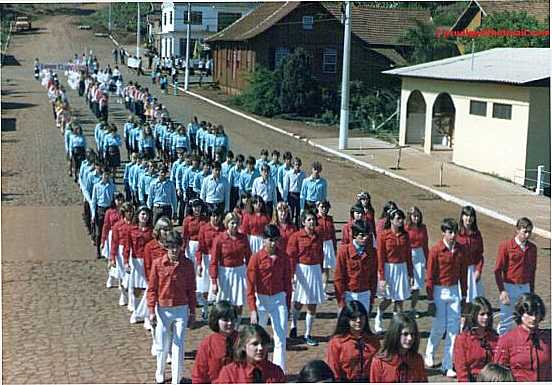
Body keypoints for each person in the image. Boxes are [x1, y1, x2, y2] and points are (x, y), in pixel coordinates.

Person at [147, 230, 196, 384]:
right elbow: (152, 289)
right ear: (166, 248)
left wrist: (193, 311)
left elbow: (191, 290)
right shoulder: (158, 264)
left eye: (177, 246)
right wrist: (151, 310)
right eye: (171, 247)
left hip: (181, 308)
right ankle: (160, 370)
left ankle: (177, 377)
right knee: (162, 344)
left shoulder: (187, 264)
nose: (174, 250)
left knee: (179, 343)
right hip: (163, 309)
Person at [424, 217, 467, 378]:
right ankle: (430, 352)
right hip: (439, 291)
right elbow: (429, 275)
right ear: (444, 232)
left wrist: (464, 296)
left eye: (455, 232)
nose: (453, 235)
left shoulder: (461, 250)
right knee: (439, 326)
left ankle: (447, 363)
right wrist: (430, 299)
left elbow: (463, 275)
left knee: (453, 329)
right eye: (450, 232)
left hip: (455, 290)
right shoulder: (436, 250)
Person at [247, 224, 291, 373]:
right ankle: (256, 368)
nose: (273, 243)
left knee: (280, 336)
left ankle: (279, 370)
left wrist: (288, 305)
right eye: (270, 240)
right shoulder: (256, 258)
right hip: (261, 299)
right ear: (263, 240)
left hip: (278, 299)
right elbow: (250, 286)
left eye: (275, 240)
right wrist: (253, 309)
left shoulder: (284, 257)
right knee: (257, 336)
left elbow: (287, 283)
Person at [287, 209, 325, 346]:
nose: (312, 222)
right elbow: (291, 257)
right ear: (303, 222)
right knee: (298, 302)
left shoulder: (318, 236)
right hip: (301, 271)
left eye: (313, 220)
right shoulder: (296, 237)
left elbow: (321, 253)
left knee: (312, 303)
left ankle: (307, 334)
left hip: (314, 270)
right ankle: (294, 325)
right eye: (309, 220)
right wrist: (292, 275)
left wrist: (320, 269)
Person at [494, 217, 537, 335]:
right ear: (517, 230)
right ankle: (500, 347)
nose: (527, 235)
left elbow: (532, 271)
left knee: (524, 320)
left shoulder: (532, 248)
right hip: (509, 286)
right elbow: (497, 270)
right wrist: (502, 291)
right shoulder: (506, 246)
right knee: (506, 320)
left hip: (525, 288)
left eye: (529, 232)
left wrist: (531, 292)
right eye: (525, 231)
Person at [494, 293, 551, 381]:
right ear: (520, 313)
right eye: (529, 314)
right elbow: (498, 373)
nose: (534, 318)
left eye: (537, 314)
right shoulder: (507, 340)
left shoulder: (547, 338)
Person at [374, 208, 413, 333]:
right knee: (388, 299)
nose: (401, 221)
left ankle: (396, 326)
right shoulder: (384, 235)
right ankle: (379, 316)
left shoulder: (405, 235)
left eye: (402, 218)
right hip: (389, 268)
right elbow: (380, 256)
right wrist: (382, 277)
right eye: (398, 218)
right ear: (391, 220)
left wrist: (410, 274)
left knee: (400, 299)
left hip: (401, 269)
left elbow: (408, 255)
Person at [210, 212, 252, 326]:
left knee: (238, 303)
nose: (234, 226)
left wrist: (251, 274)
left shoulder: (243, 238)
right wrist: (214, 281)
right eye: (232, 223)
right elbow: (213, 261)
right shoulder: (219, 239)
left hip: (239, 272)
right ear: (226, 223)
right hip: (225, 273)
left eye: (236, 223)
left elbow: (249, 257)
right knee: (224, 303)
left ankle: (236, 325)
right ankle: (223, 325)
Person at [326, 301, 380, 382]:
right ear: (346, 319)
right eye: (354, 317)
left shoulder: (373, 340)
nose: (358, 320)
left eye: (361, 316)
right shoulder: (336, 342)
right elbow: (334, 369)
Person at [214, 324, 285, 383]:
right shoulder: (229, 373)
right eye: (255, 344)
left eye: (263, 343)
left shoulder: (276, 372)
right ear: (244, 346)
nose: (261, 348)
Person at [334, 221, 377, 316]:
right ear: (354, 235)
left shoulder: (372, 252)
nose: (365, 238)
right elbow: (338, 277)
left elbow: (373, 277)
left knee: (362, 325)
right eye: (361, 235)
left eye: (367, 235)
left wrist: (372, 298)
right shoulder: (344, 251)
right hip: (349, 294)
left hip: (365, 294)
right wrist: (341, 301)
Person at [369, 313, 427, 383]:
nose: (410, 338)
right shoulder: (379, 362)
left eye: (412, 334)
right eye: (405, 334)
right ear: (395, 334)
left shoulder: (417, 360)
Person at [192, 300, 239, 384]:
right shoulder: (207, 344)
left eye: (232, 319)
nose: (230, 323)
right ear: (216, 320)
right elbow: (198, 376)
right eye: (225, 320)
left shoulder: (243, 340)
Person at [453, 296, 499, 382]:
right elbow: (461, 369)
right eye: (482, 314)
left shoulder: (495, 337)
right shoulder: (462, 339)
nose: (486, 317)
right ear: (474, 315)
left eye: (488, 314)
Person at [124, 206, 153, 324]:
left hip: (148, 262)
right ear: (138, 215)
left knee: (148, 288)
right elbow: (127, 247)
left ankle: (146, 315)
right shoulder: (131, 230)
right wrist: (126, 262)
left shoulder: (152, 231)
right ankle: (136, 312)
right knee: (136, 289)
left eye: (146, 214)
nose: (144, 217)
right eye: (142, 214)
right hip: (136, 261)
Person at [195, 208, 225, 320]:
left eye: (217, 216)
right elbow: (200, 248)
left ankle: (216, 310)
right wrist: (198, 264)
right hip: (207, 259)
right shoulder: (204, 229)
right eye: (213, 216)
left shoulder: (223, 229)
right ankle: (205, 308)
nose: (215, 218)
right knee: (205, 288)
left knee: (218, 287)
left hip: (220, 260)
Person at [457, 205, 485, 303]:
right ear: (462, 217)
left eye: (471, 216)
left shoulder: (477, 234)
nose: (468, 218)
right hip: (459, 271)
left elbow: (480, 254)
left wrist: (478, 270)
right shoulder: (456, 233)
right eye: (466, 215)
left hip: (472, 271)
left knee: (474, 301)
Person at [405, 206, 429, 318]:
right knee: (405, 284)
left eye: (418, 216)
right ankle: (398, 310)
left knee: (417, 286)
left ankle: (412, 308)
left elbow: (425, 245)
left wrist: (428, 261)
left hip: (419, 256)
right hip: (407, 255)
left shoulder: (423, 228)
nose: (416, 218)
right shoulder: (405, 228)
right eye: (414, 216)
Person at [110, 203, 135, 307]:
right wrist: (112, 257)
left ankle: (131, 296)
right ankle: (123, 294)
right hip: (121, 250)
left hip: (132, 251)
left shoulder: (135, 225)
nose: (129, 213)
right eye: (127, 211)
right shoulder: (118, 226)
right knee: (122, 274)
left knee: (130, 275)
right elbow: (114, 242)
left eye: (131, 211)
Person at [91, 169, 116, 259]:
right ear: (102, 175)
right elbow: (94, 200)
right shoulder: (97, 186)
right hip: (100, 209)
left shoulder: (112, 186)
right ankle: (98, 250)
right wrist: (93, 214)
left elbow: (114, 198)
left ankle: (108, 250)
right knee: (99, 231)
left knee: (109, 231)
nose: (106, 177)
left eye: (107, 175)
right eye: (105, 175)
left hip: (109, 209)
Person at [315, 200, 337, 299]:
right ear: (317, 207)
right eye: (322, 207)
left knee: (326, 268)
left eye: (326, 207)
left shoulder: (329, 219)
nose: (324, 209)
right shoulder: (315, 219)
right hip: (318, 245)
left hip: (328, 245)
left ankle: (323, 289)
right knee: (318, 268)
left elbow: (333, 234)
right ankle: (317, 289)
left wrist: (334, 247)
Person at [283, 157, 304, 228]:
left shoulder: (303, 174)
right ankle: (290, 226)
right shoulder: (288, 174)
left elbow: (304, 186)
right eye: (295, 165)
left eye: (298, 165)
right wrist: (285, 198)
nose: (297, 166)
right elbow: (286, 186)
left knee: (299, 212)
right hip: (291, 194)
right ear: (293, 165)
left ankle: (298, 227)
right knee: (290, 212)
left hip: (299, 195)